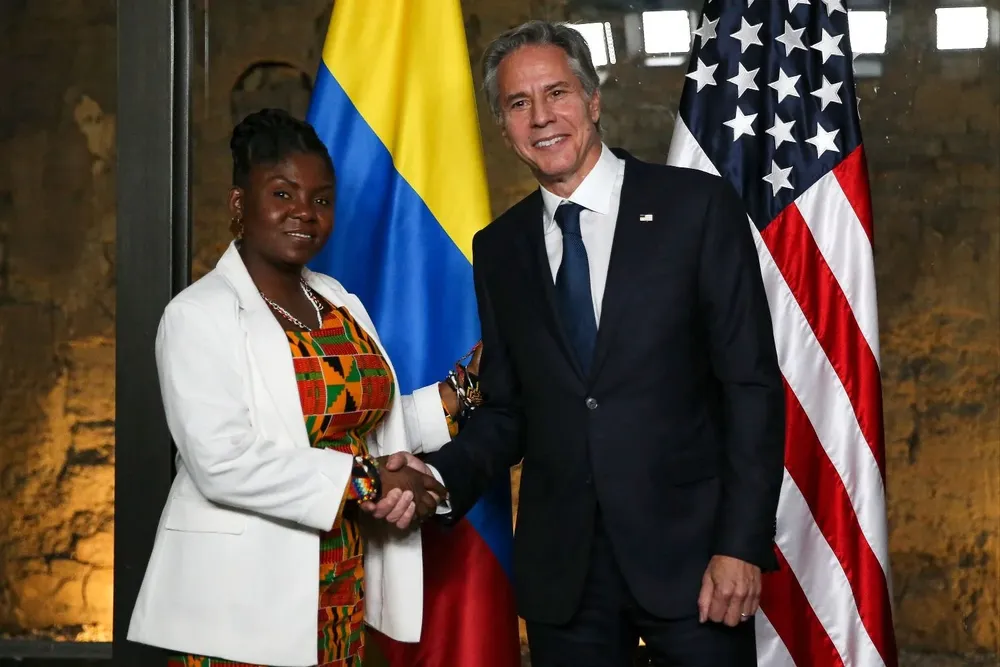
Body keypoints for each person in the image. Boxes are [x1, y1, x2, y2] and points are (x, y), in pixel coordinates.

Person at [369, 20, 786, 667]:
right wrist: (439, 475)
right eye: (517, 103)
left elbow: (751, 387)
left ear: (592, 101)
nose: (541, 117)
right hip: (565, 580)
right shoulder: (498, 249)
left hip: (694, 566)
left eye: (556, 93)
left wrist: (741, 545)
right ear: (503, 125)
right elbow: (510, 409)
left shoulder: (695, 208)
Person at [126, 108, 456, 667]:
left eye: (321, 199)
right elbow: (223, 461)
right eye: (282, 194)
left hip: (339, 590)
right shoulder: (197, 315)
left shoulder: (336, 300)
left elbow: (361, 421)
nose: (304, 212)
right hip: (240, 607)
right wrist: (371, 480)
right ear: (239, 205)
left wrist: (460, 393)